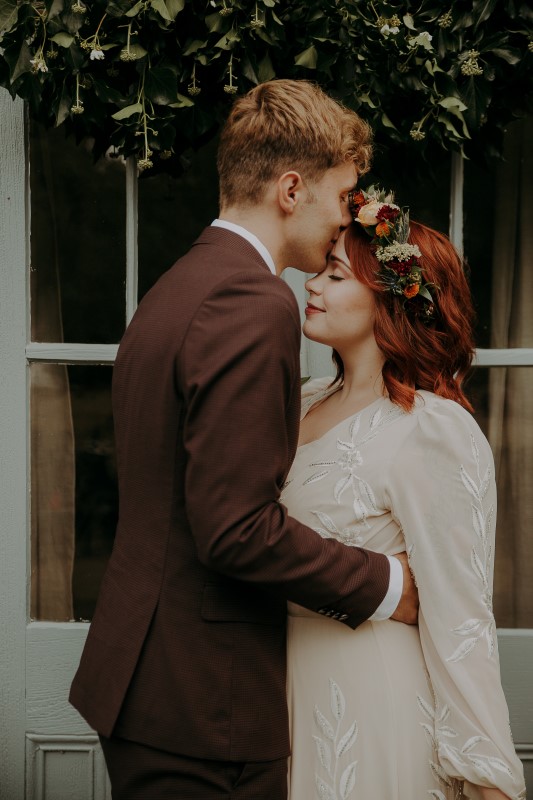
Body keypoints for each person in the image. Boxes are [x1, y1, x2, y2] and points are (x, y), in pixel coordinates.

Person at [68, 81, 419, 799]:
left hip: (152, 681)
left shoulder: (180, 284)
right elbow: (234, 530)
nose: (347, 217)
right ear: (291, 188)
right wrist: (386, 585)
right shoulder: (251, 301)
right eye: (343, 194)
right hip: (204, 700)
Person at [283, 188, 526, 799]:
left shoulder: (433, 428)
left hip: (373, 708)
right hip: (280, 699)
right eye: (320, 270)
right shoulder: (300, 403)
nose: (312, 286)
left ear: (390, 296)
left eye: (335, 274)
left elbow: (461, 618)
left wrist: (486, 777)